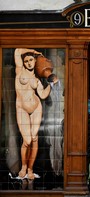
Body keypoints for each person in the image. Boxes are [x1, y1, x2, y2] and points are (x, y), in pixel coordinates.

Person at [14, 48, 52, 180]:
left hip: (36, 107)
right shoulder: (19, 71)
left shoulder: (37, 79)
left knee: (34, 138)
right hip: (22, 108)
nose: (29, 63)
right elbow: (18, 50)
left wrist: (51, 84)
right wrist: (34, 51)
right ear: (23, 63)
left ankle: (30, 168)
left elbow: (42, 94)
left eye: (31, 60)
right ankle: (23, 166)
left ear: (35, 61)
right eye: (26, 61)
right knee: (27, 140)